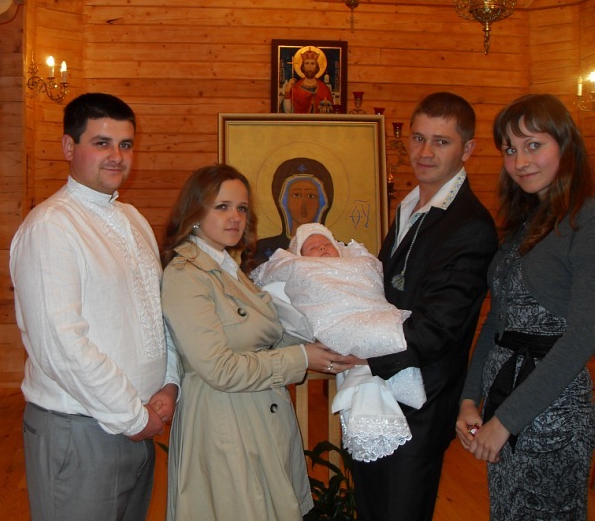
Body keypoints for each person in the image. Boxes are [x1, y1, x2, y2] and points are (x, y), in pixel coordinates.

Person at [323, 92, 499, 521]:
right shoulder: (409, 204)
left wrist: (361, 356)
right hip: (378, 393)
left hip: (420, 406)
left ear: (467, 150)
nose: (424, 152)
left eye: (441, 141)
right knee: (371, 509)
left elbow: (437, 329)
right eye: (418, 138)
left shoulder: (470, 225)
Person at [10, 92, 180, 521]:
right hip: (79, 428)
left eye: (125, 144)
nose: (116, 157)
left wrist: (169, 384)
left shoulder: (133, 220)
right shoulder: (52, 226)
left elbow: (159, 314)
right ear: (69, 147)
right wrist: (132, 416)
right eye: (101, 143)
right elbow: (61, 345)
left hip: (140, 422)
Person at [160, 164, 334, 521]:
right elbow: (219, 369)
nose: (235, 217)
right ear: (195, 212)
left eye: (241, 208)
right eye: (222, 207)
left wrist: (328, 338)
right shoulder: (185, 275)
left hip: (258, 416)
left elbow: (266, 336)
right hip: (224, 420)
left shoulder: (229, 267)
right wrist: (302, 358)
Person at [456, 94, 595, 520]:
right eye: (510, 149)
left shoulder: (587, 218)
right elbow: (498, 323)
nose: (520, 161)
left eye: (534, 145)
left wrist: (507, 420)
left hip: (551, 411)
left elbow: (583, 335)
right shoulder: (529, 221)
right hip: (505, 403)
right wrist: (470, 399)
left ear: (565, 144)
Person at [251, 223, 426, 463]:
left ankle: (377, 396)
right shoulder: (298, 266)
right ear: (300, 255)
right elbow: (271, 274)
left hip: (372, 309)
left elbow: (371, 279)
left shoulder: (358, 262)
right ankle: (370, 419)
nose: (322, 248)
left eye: (327, 244)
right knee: (373, 342)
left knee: (390, 332)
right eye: (313, 247)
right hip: (335, 317)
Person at [255, 156, 334, 264]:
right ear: (283, 201)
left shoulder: (340, 250)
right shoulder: (261, 249)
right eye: (296, 195)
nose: (303, 203)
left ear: (322, 203)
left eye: (311, 196)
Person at [281, 46, 334, 114]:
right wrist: (287, 91)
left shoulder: (324, 89)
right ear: (303, 66)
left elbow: (330, 112)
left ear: (317, 67)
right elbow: (288, 112)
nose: (309, 66)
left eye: (312, 63)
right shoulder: (296, 88)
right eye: (307, 63)